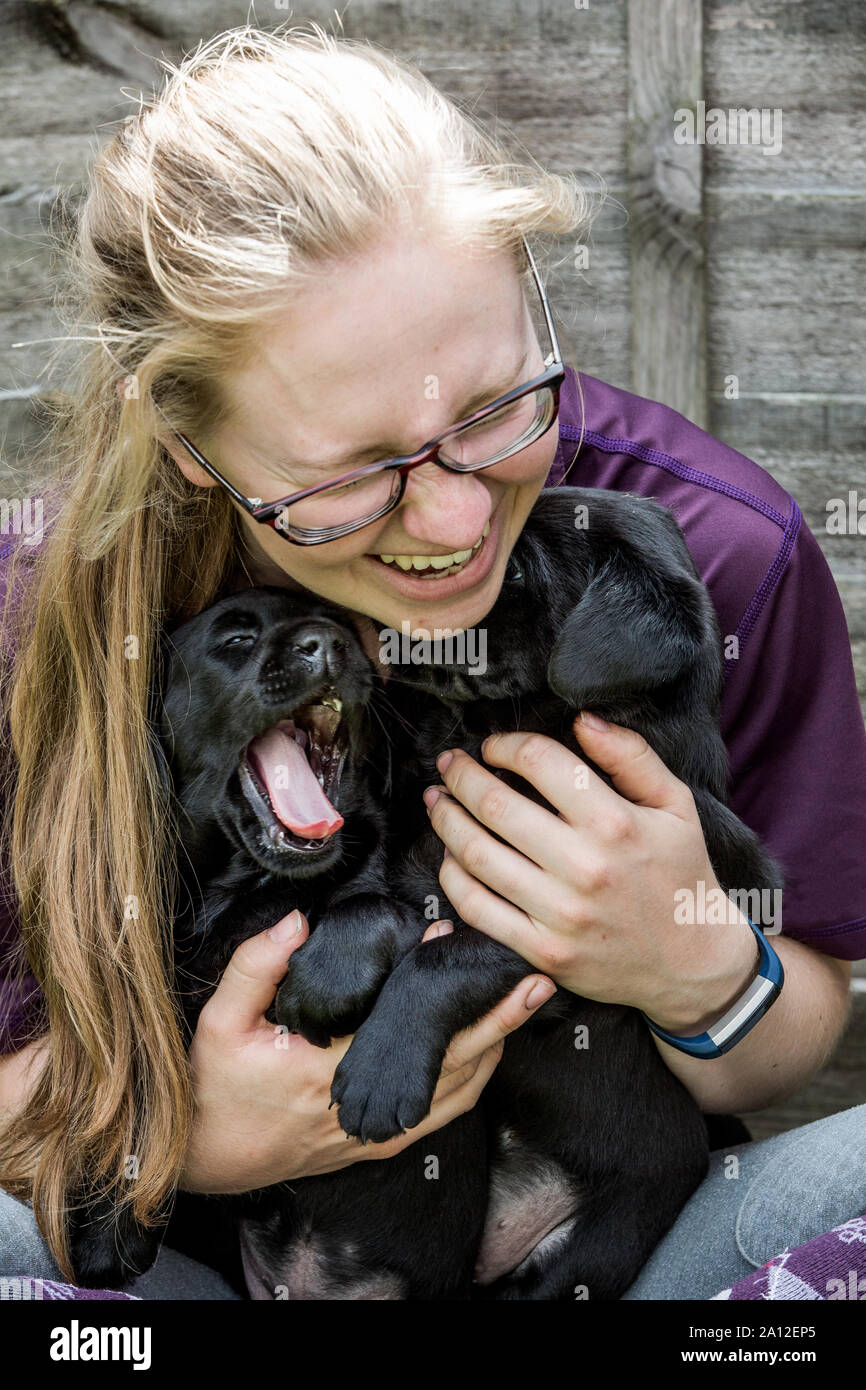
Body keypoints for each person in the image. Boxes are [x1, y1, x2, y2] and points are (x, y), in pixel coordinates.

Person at [0, 24, 864, 1301]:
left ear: (530, 291)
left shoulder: (701, 551)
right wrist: (173, 1130)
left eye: (493, 407)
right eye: (348, 478)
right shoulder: (43, 618)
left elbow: (800, 1012)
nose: (458, 525)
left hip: (609, 1266)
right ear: (191, 449)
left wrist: (689, 958)